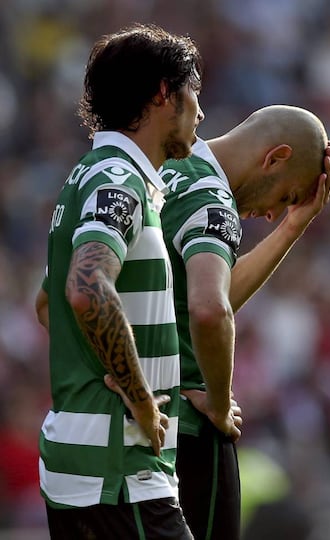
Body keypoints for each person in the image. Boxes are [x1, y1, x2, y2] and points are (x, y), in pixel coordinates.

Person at [34, 23, 205, 540]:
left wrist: (97, 364)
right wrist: (139, 397)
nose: (200, 112)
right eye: (194, 92)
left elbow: (48, 305)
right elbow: (86, 289)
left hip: (85, 466)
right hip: (118, 472)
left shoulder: (87, 177)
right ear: (162, 94)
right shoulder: (118, 180)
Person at [158, 104, 330, 539]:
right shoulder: (213, 201)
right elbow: (210, 309)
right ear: (275, 158)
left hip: (130, 420)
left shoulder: (157, 168)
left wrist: (292, 229)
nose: (274, 213)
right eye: (288, 197)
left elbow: (209, 295)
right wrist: (219, 403)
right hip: (188, 427)